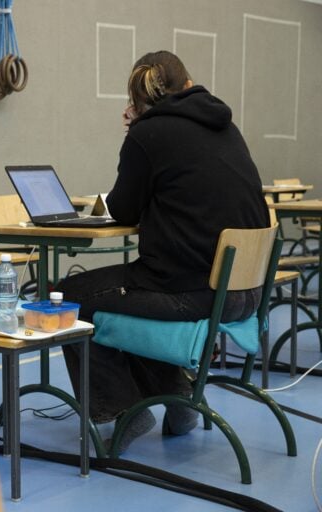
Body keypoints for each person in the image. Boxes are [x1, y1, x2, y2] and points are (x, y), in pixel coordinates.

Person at [57, 51, 270, 452]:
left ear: (137, 102)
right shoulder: (227, 126)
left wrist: (137, 131)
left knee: (68, 297)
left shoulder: (147, 135)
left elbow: (123, 209)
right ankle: (178, 397)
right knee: (130, 295)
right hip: (248, 291)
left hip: (196, 292)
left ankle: (125, 410)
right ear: (188, 85)